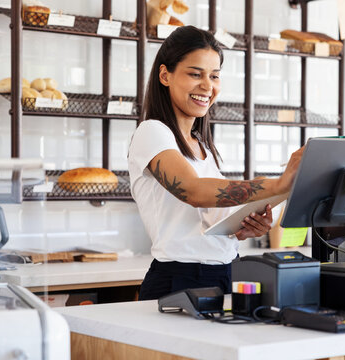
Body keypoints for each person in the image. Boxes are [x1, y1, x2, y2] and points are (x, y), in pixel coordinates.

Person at [128, 26, 304, 300]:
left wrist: (244, 225)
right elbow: (194, 191)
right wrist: (277, 184)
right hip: (178, 279)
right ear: (165, 75)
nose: (207, 86)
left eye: (214, 76)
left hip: (222, 274)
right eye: (195, 74)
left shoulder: (201, 146)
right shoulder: (152, 132)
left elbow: (206, 222)